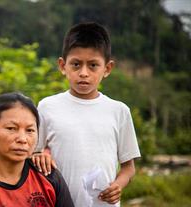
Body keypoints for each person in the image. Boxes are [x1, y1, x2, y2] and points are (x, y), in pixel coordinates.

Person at [31, 22, 141, 206]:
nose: (83, 73)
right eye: (76, 64)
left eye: (93, 65)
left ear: (107, 68)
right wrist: (37, 156)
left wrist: (118, 185)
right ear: (62, 66)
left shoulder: (119, 111)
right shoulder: (47, 107)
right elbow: (31, 154)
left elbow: (128, 168)